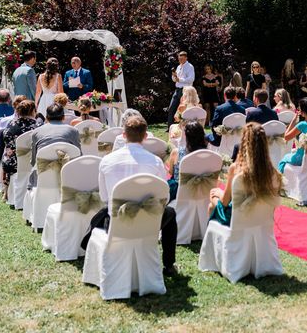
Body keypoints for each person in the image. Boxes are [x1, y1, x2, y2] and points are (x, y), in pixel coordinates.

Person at [84, 115, 178, 276]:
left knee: (103, 212)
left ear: (124, 135)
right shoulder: (156, 162)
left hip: (117, 222)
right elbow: (164, 197)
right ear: (146, 136)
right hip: (149, 221)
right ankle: (169, 264)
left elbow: (105, 197)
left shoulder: (107, 161)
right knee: (170, 212)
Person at [208, 122, 283, 226]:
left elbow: (225, 202)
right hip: (261, 220)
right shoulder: (274, 172)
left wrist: (218, 193)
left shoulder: (236, 168)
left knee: (213, 198)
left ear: (244, 142)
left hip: (237, 219)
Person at [29, 103, 82, 189]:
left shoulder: (36, 132)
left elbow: (34, 160)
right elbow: (78, 155)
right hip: (68, 174)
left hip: (44, 174)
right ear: (64, 117)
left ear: (46, 118)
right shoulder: (73, 130)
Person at [0, 100, 38, 200]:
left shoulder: (10, 126)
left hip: (13, 163)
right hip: (34, 162)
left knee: (6, 155)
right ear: (33, 111)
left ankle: (7, 190)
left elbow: (7, 145)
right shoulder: (38, 127)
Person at [166, 121, 208, 202]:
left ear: (186, 135)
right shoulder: (208, 155)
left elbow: (171, 172)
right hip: (202, 191)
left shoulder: (176, 152)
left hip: (179, 194)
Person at [277, 98, 307, 173]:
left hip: (302, 158)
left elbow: (286, 137)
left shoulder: (302, 124)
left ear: (303, 112)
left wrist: (293, 121)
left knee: (284, 158)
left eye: (299, 108)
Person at [166, 51, 195, 130]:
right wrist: (174, 76)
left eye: (182, 59)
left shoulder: (190, 66)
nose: (180, 60)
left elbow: (191, 79)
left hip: (186, 90)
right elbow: (175, 80)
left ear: (186, 58)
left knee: (184, 109)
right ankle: (170, 127)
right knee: (171, 107)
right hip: (177, 89)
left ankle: (185, 127)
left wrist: (179, 79)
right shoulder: (178, 67)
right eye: (179, 59)